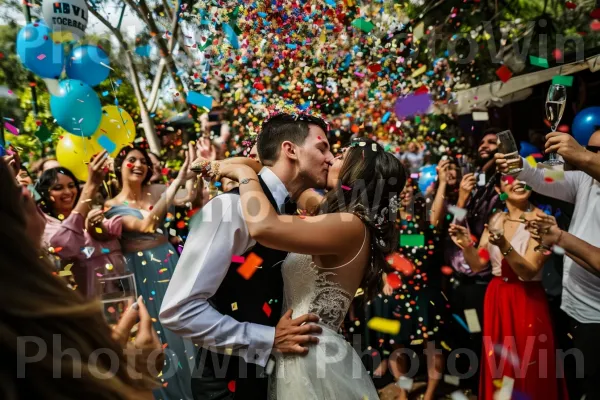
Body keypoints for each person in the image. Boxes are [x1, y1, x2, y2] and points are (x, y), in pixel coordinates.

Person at [191, 136, 406, 399]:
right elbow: (269, 174)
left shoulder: (350, 225)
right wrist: (219, 164)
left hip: (310, 353)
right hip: (294, 346)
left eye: (339, 157)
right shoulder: (330, 215)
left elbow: (264, 226)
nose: (330, 159)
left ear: (356, 172)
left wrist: (243, 174)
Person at [160, 113, 338, 399]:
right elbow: (179, 309)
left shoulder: (287, 210)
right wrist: (267, 338)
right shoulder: (229, 209)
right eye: (322, 147)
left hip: (273, 378)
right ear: (290, 150)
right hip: (228, 385)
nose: (330, 158)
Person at [0, 157, 163, 400]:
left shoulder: (94, 215)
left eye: (70, 185)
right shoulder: (39, 317)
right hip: (97, 306)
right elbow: (64, 246)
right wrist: (138, 370)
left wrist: (116, 349)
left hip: (120, 302)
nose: (25, 189)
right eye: (15, 189)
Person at [495, 130, 600, 400]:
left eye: (599, 152)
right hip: (573, 308)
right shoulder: (585, 181)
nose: (592, 156)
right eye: (591, 148)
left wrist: (561, 238)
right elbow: (542, 176)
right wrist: (517, 165)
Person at [449, 175, 568, 400]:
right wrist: (467, 246)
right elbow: (477, 263)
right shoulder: (495, 219)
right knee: (501, 365)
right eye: (510, 179)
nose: (518, 183)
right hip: (497, 298)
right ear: (499, 189)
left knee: (531, 361)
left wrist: (504, 244)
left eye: (523, 178)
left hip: (527, 299)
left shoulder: (544, 220)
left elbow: (528, 271)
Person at [105, 144, 198, 400]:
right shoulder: (111, 206)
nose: (139, 164)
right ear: (119, 167)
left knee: (181, 325)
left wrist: (194, 173)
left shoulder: (157, 190)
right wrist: (178, 179)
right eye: (132, 160)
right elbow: (146, 224)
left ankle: (195, 388)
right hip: (142, 271)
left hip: (169, 262)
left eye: (143, 160)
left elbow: (189, 197)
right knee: (157, 330)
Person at [369, 179, 445, 400]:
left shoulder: (424, 220)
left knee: (432, 344)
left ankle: (429, 393)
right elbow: (380, 256)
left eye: (408, 189)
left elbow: (438, 216)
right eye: (399, 191)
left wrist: (441, 183)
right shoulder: (387, 224)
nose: (404, 194)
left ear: (415, 192)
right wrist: (384, 278)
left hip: (423, 290)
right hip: (396, 291)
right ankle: (403, 390)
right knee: (395, 343)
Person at [444, 128, 502, 394]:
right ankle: (467, 383)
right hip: (459, 282)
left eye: (492, 142)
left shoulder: (498, 190)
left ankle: (481, 386)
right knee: (462, 332)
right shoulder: (474, 186)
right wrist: (462, 199)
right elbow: (454, 226)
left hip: (482, 281)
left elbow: (479, 249)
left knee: (479, 334)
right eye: (482, 141)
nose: (484, 145)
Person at [35, 152, 128, 297]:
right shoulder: (46, 226)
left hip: (123, 290)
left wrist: (96, 227)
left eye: (71, 185)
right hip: (89, 300)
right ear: (46, 194)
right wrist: (91, 185)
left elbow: (115, 232)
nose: (67, 192)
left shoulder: (93, 212)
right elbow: (66, 246)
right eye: (58, 188)